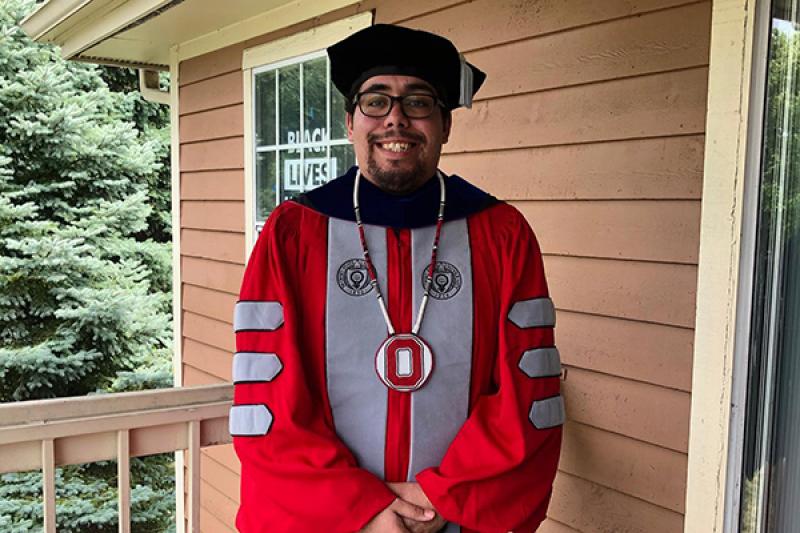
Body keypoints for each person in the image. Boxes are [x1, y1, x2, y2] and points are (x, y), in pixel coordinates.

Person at [229, 24, 563, 533]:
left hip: (456, 519)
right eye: (376, 101)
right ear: (350, 122)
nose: (396, 120)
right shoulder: (294, 233)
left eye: (420, 102)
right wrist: (360, 509)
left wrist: (442, 497)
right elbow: (268, 404)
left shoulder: (501, 233)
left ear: (445, 125)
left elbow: (527, 395)